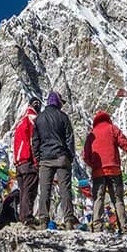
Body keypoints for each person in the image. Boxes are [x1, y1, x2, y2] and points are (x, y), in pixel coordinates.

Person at [83, 110, 127, 233]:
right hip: (114, 170)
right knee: (117, 200)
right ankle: (124, 227)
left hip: (98, 172)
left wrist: (94, 165)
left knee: (98, 198)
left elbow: (85, 155)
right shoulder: (112, 129)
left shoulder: (92, 134)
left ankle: (97, 227)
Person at [31, 91, 76, 228]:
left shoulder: (39, 118)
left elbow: (35, 142)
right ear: (57, 102)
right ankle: (68, 220)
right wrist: (69, 156)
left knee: (45, 190)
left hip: (45, 159)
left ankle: (43, 220)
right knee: (65, 190)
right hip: (61, 157)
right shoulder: (63, 117)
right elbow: (70, 139)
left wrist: (38, 158)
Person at [13, 97, 41, 224]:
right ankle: (27, 217)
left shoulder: (20, 121)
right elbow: (33, 141)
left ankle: (22, 216)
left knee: (23, 190)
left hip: (19, 162)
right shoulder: (32, 119)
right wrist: (36, 161)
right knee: (30, 190)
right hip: (28, 160)